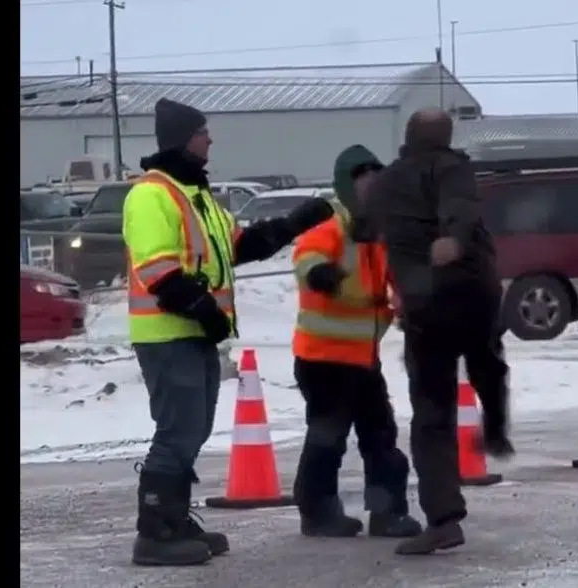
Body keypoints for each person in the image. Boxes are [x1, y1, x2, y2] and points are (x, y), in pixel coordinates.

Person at [123, 98, 336, 566]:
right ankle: (155, 532)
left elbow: (240, 246)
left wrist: (295, 223)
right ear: (184, 139)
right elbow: (157, 268)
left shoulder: (196, 196)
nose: (210, 140)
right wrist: (201, 308)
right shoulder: (151, 194)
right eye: (203, 132)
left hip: (194, 333)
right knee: (178, 431)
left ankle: (174, 519)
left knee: (193, 430)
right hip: (168, 334)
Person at [365, 108, 515, 555]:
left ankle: (444, 519)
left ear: (408, 135)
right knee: (487, 361)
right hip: (472, 292)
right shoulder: (454, 168)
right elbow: (460, 206)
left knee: (432, 415)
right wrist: (453, 235)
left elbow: (364, 224)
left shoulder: (389, 180)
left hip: (426, 304)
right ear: (446, 137)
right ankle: (495, 425)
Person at [290, 145, 422, 539]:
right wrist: (322, 275)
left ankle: (387, 513)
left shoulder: (379, 234)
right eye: (365, 184)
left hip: (363, 358)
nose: (373, 192)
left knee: (380, 436)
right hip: (324, 359)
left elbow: (398, 274)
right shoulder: (329, 229)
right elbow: (306, 259)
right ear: (348, 187)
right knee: (328, 438)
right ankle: (317, 513)